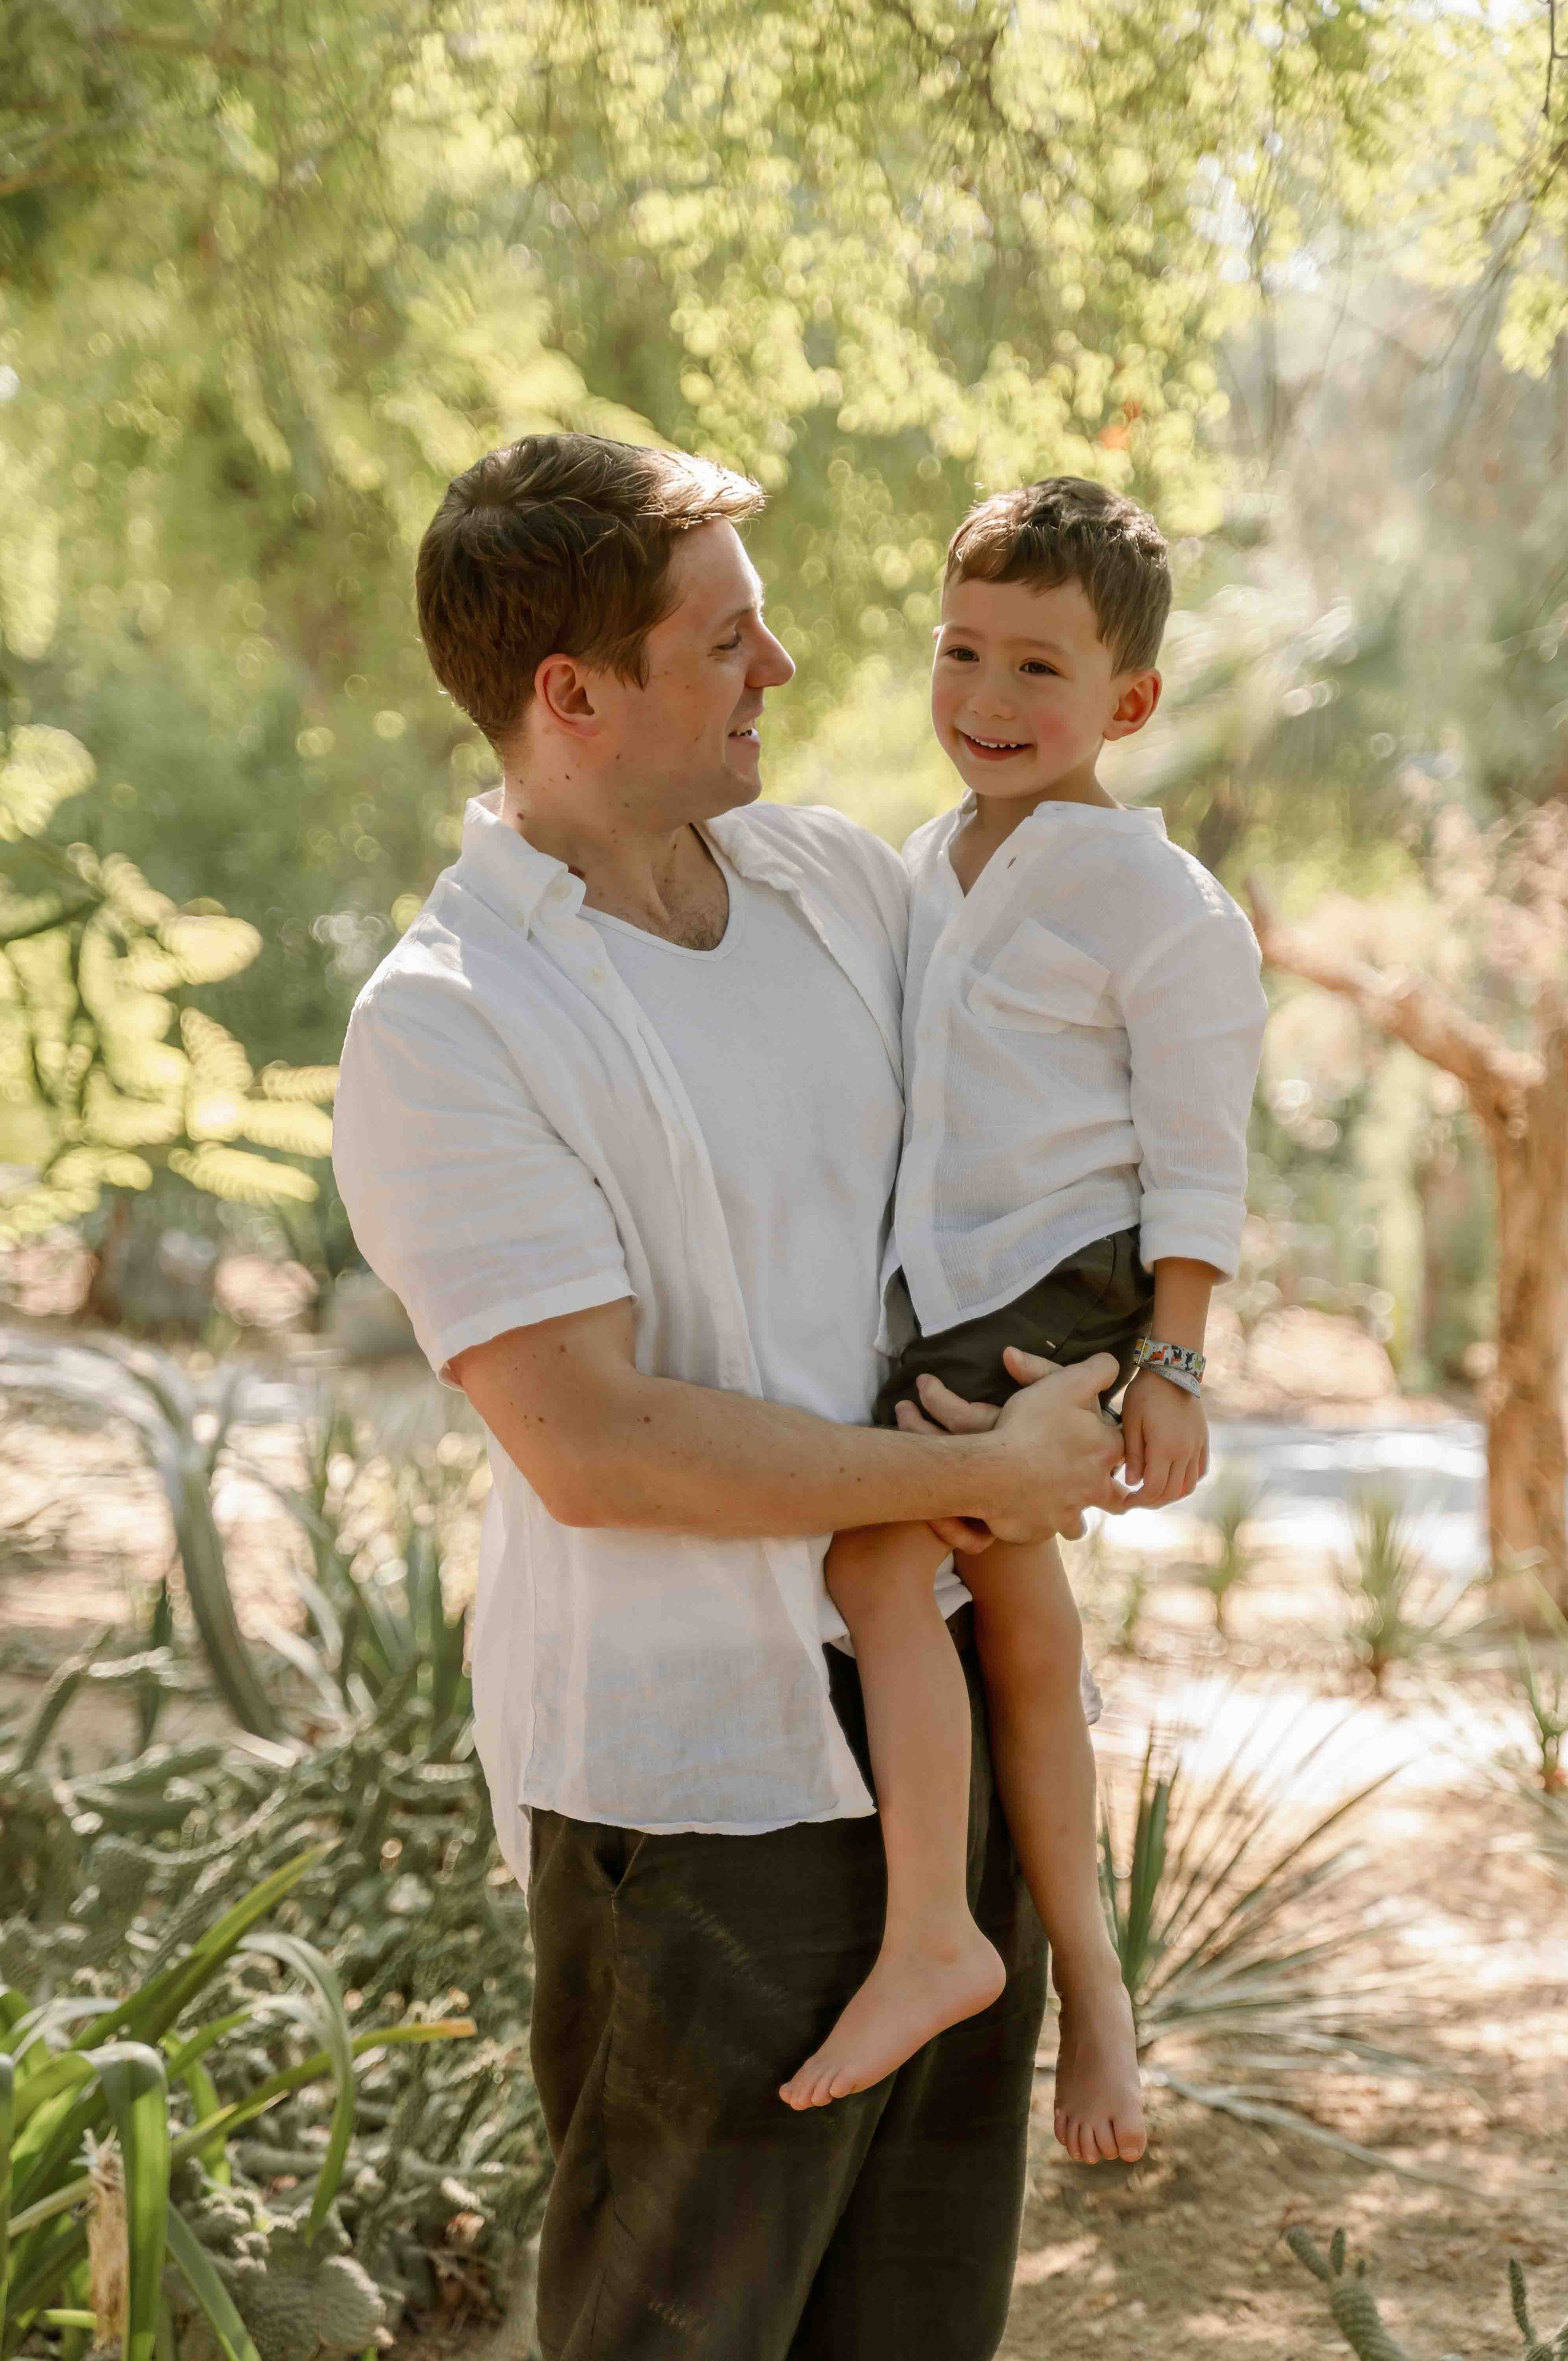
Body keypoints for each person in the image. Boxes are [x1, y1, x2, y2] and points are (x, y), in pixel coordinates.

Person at [331, 433, 1129, 2361]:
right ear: (572, 694)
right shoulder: (448, 1025)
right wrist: (981, 1479)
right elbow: (594, 1443)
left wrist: (1131, 1357)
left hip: (948, 1729)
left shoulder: (838, 886)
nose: (778, 673)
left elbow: (1044, 1123)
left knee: (918, 2329)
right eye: (725, 643)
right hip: (697, 1795)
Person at [780, 480, 1268, 2167]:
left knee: (868, 1569)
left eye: (1040, 671)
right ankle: (1094, 1996)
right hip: (953, 1298)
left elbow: (1204, 1153)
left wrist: (1174, 1362)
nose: (988, 700)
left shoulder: (1161, 904)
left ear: (1128, 703)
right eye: (961, 651)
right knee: (1028, 1645)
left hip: (1053, 1303)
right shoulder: (928, 866)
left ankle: (939, 1932)